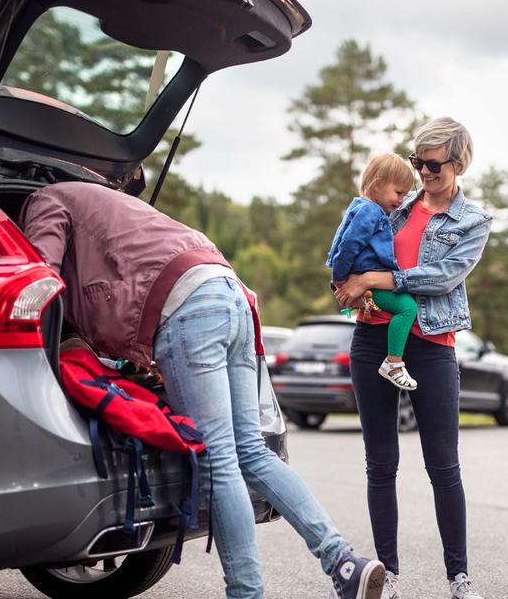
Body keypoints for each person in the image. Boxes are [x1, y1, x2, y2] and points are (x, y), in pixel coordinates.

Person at [19, 181, 385, 599]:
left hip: (190, 311)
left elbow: (41, 273)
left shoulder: (46, 198)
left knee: (219, 459)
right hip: (233, 296)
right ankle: (342, 561)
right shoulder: (121, 207)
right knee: (250, 450)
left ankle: (246, 593)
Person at [332, 118, 490, 599]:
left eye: (433, 163)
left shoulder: (472, 221)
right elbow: (350, 250)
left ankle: (458, 578)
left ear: (459, 164)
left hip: (432, 346)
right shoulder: (394, 203)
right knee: (380, 463)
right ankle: (387, 574)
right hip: (371, 342)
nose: (422, 171)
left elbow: (442, 275)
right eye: (418, 161)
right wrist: (344, 284)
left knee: (444, 465)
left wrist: (374, 281)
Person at [327, 153, 420, 390]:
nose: (401, 200)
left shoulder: (358, 206)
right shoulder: (371, 211)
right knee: (407, 308)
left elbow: (340, 239)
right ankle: (394, 363)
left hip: (364, 281)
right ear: (378, 184)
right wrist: (340, 277)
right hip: (368, 278)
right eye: (398, 193)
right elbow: (348, 244)